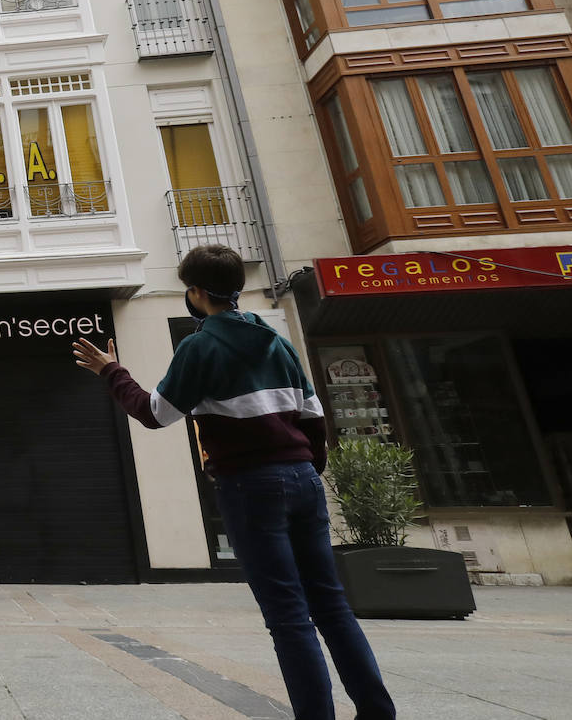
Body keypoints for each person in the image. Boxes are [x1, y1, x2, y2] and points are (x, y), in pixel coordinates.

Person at [72, 245, 395, 720]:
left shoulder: (199, 346)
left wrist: (111, 371)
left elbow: (155, 414)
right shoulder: (276, 340)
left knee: (288, 616)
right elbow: (314, 417)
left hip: (250, 486)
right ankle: (377, 711)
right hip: (303, 479)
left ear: (196, 293)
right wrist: (303, 469)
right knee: (331, 606)